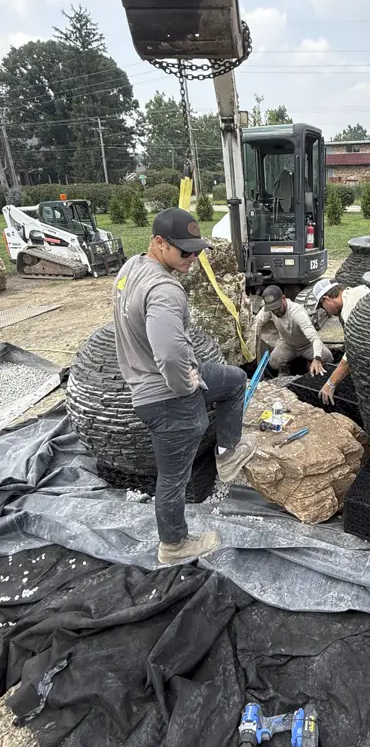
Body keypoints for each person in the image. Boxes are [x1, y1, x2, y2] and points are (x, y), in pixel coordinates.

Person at [113, 207, 256, 565]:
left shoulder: (131, 268)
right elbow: (171, 355)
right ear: (158, 243)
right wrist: (185, 388)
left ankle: (227, 454)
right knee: (174, 479)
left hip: (162, 383)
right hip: (165, 397)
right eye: (184, 251)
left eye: (197, 250)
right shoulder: (164, 290)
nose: (193, 258)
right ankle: (174, 545)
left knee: (235, 379)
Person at [312, 278, 370, 405]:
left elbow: (354, 353)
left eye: (322, 306)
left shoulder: (350, 309)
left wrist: (331, 383)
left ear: (327, 299)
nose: (325, 310)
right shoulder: (355, 292)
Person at [255, 285, 333, 376]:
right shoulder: (270, 309)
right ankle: (285, 370)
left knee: (327, 357)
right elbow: (255, 323)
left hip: (307, 345)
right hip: (288, 344)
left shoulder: (297, 312)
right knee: (274, 361)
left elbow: (315, 338)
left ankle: (308, 365)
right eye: (273, 310)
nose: (276, 312)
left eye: (278, 308)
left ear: (283, 298)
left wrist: (317, 358)